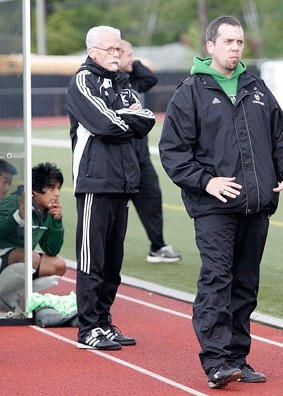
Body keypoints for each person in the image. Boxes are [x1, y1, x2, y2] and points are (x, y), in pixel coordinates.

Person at [159, 16, 283, 389]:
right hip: (214, 210)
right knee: (216, 282)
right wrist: (206, 182)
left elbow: (281, 138)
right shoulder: (189, 92)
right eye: (228, 42)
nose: (235, 48)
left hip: (257, 205)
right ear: (210, 46)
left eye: (239, 42)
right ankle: (216, 362)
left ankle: (238, 357)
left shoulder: (257, 87)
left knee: (245, 285)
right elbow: (173, 153)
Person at [66, 26, 155, 350]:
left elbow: (145, 120)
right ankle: (87, 328)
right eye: (110, 50)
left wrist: (122, 119)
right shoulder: (82, 81)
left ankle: (104, 323)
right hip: (94, 181)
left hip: (124, 181)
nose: (117, 55)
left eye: (119, 49)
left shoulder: (122, 83)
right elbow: (103, 124)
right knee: (93, 260)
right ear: (93, 52)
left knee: (113, 262)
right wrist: (124, 119)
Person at [119, 40, 181, 264]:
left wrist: (132, 62)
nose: (133, 58)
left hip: (141, 158)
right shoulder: (109, 83)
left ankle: (158, 246)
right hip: (120, 160)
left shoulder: (132, 79)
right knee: (115, 210)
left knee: (152, 197)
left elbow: (150, 78)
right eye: (129, 54)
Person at [0, 162, 67, 279]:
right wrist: (18, 216)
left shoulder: (47, 212)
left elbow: (52, 250)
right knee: (32, 258)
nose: (57, 193)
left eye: (58, 188)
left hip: (24, 257)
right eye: (52, 188)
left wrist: (57, 221)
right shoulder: (13, 201)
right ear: (35, 190)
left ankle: (15, 293)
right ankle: (8, 294)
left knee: (59, 266)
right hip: (3, 254)